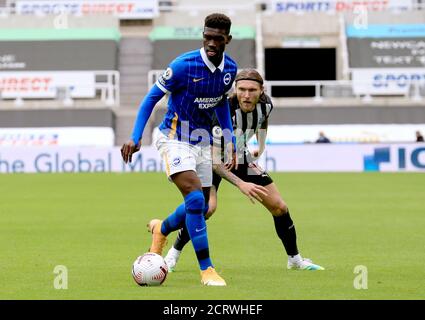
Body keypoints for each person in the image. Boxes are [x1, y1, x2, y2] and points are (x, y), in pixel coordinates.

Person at [164, 69, 324, 272]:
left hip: (239, 155)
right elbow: (214, 160)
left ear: (261, 91)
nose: (246, 95)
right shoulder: (222, 112)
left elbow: (263, 120)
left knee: (279, 207)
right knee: (206, 209)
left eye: (251, 90)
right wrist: (241, 183)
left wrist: (262, 145)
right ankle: (173, 254)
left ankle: (295, 260)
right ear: (235, 89)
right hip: (208, 160)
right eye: (241, 90)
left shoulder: (266, 105)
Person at [121, 13, 238, 286]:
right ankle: (207, 270)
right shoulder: (183, 66)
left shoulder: (230, 69)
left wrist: (230, 140)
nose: (211, 43)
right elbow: (151, 99)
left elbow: (221, 103)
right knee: (196, 200)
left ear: (227, 40)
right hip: (173, 138)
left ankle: (161, 229)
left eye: (217, 39)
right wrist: (136, 136)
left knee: (205, 208)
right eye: (207, 37)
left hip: (202, 141)